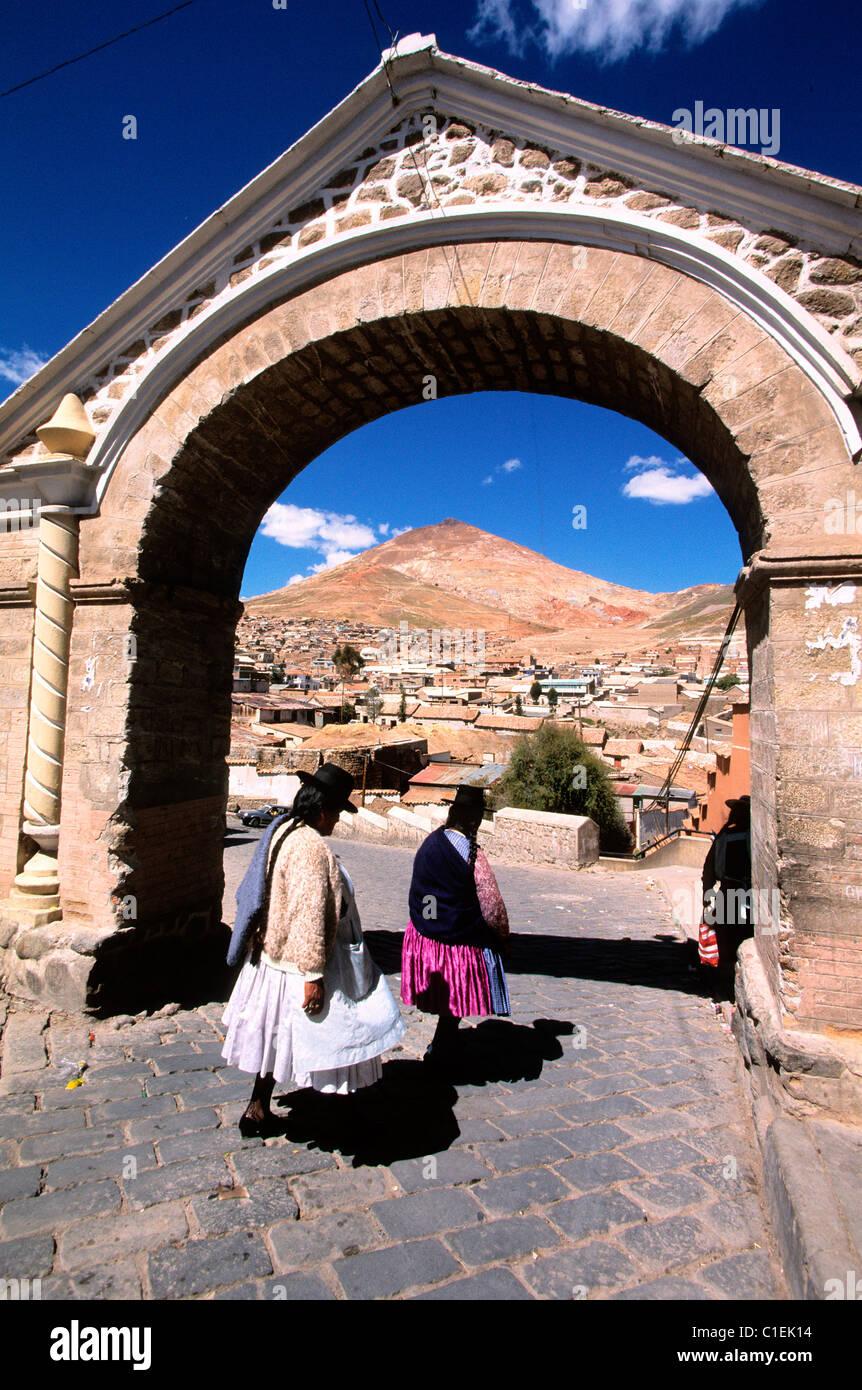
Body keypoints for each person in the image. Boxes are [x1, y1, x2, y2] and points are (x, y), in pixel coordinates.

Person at [223, 763, 405, 1135]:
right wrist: (313, 976)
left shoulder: (283, 830)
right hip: (297, 961)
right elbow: (309, 912)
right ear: (323, 810)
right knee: (341, 1031)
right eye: (337, 812)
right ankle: (345, 1110)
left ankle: (257, 1107)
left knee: (274, 1038)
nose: (337, 821)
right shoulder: (310, 847)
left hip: (272, 955)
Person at [402, 785, 510, 1063]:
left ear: (452, 813)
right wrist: (500, 938)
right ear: (474, 820)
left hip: (422, 935)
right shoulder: (474, 855)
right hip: (457, 940)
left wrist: (430, 920)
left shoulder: (429, 843)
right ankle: (442, 1049)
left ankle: (442, 1044)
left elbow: (421, 889)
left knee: (445, 1000)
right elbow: (492, 906)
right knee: (455, 998)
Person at [699, 795, 753, 976]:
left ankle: (725, 980)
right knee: (746, 935)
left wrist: (707, 895)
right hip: (749, 895)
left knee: (726, 938)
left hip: (727, 893)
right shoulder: (754, 838)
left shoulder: (723, 837)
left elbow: (709, 869)